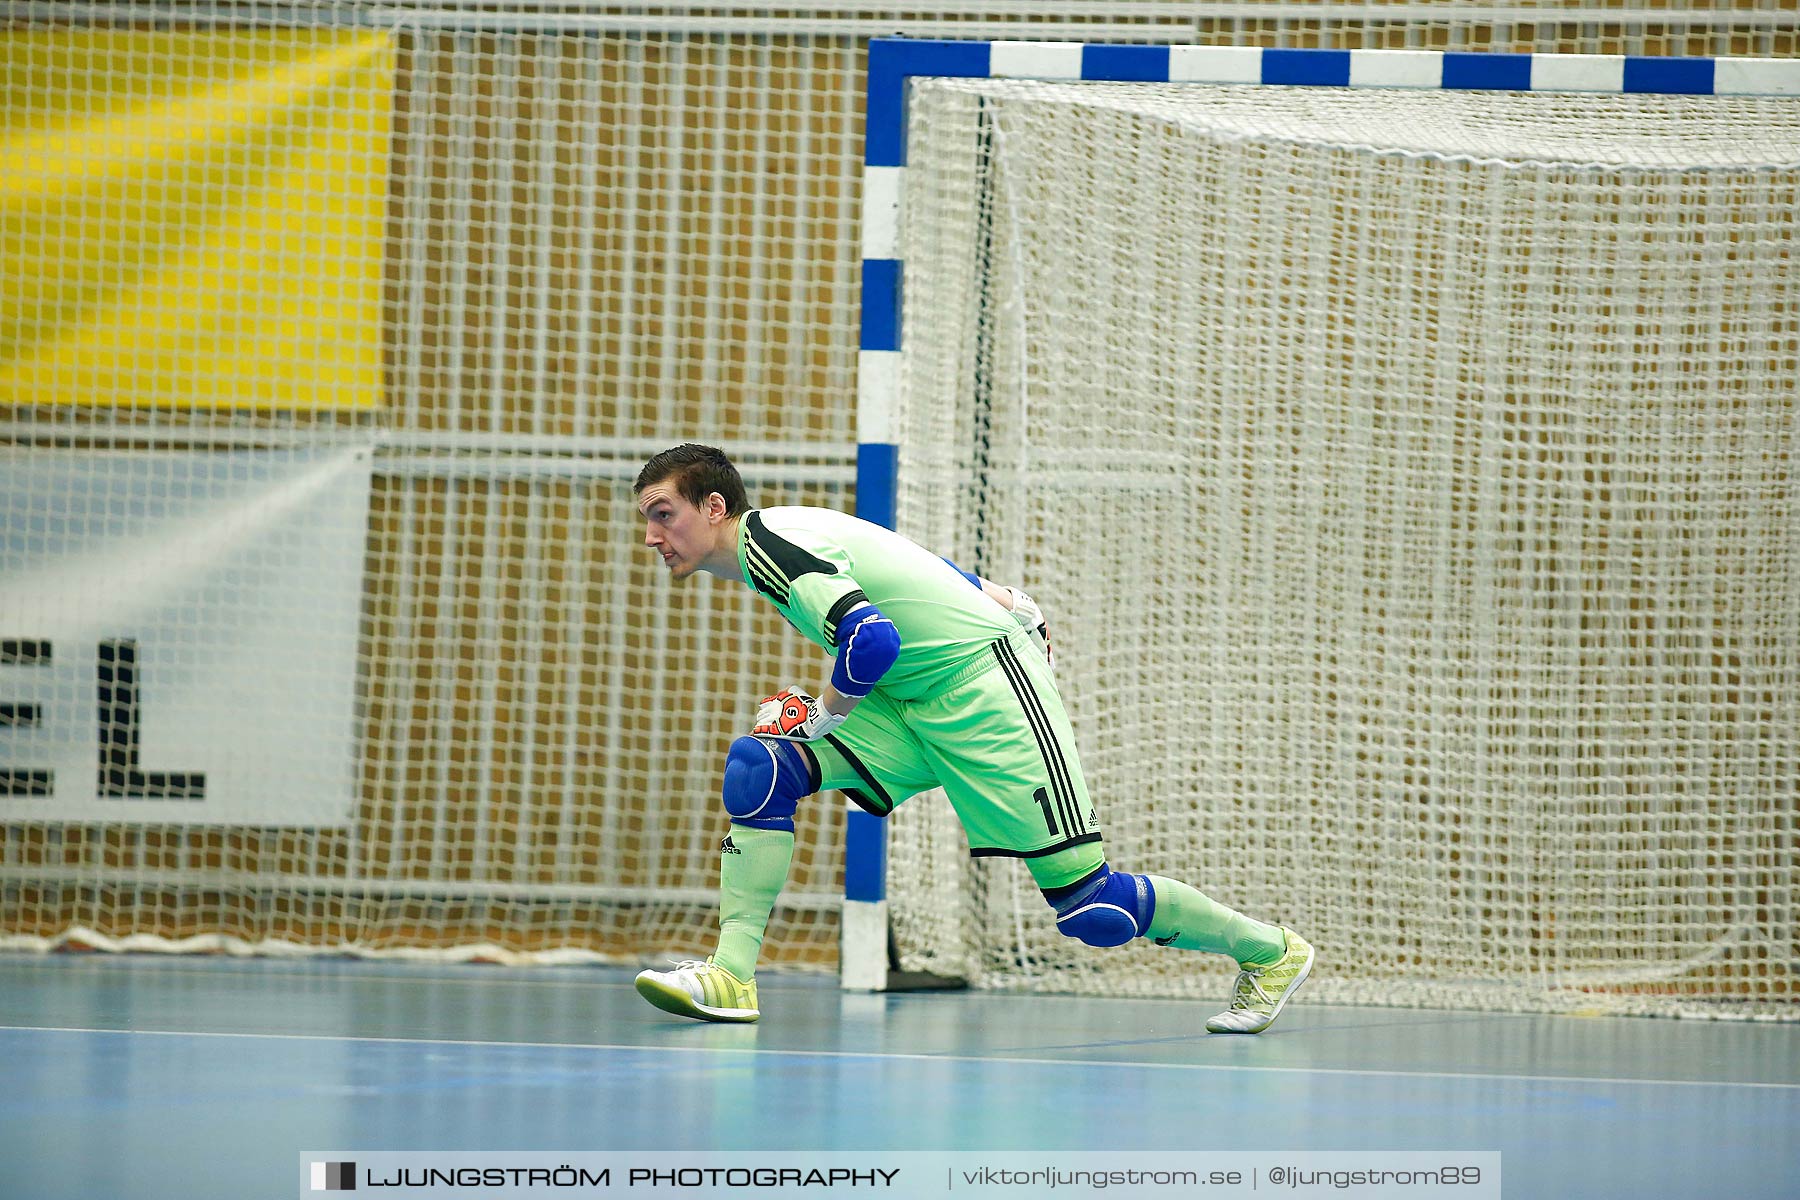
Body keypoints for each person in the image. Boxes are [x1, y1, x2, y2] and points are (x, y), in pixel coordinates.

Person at [631, 443, 1314, 1032]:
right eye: (647, 520)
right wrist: (1002, 594)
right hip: (909, 702)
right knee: (764, 768)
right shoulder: (780, 538)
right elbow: (906, 564)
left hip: (984, 693)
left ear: (714, 508)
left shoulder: (771, 544)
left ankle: (1269, 950)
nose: (654, 535)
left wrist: (821, 717)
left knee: (1091, 909)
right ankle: (732, 978)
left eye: (665, 514)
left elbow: (871, 641)